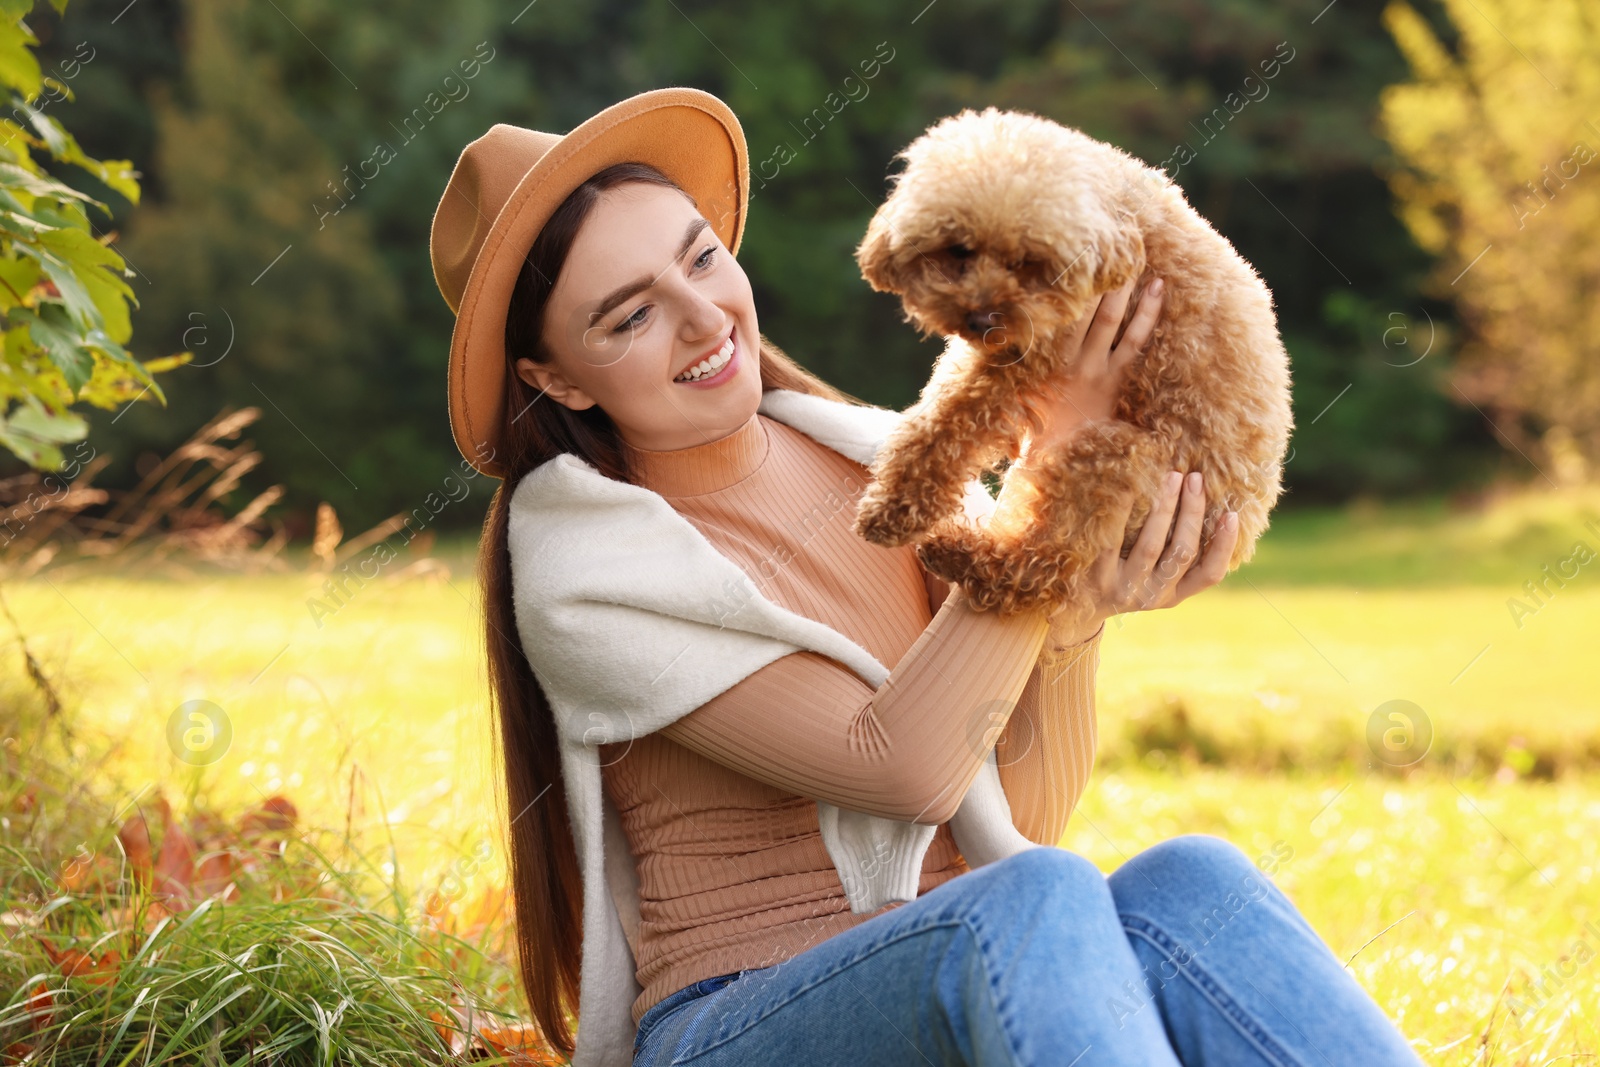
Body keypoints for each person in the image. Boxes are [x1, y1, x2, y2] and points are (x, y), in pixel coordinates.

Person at [430, 88, 1425, 1067]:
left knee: (1193, 879)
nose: (703, 318)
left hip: (954, 961)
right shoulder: (585, 562)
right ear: (554, 378)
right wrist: (1051, 467)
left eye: (700, 257)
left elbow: (1012, 821)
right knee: (1031, 896)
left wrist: (1075, 614)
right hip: (734, 1021)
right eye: (628, 317)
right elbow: (903, 765)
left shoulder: (866, 456)